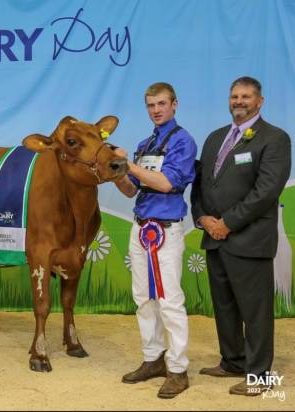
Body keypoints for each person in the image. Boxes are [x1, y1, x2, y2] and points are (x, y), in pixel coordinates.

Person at [191, 76, 291, 396]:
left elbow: (266, 191)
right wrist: (202, 217)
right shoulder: (214, 138)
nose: (239, 101)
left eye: (246, 96)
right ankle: (233, 360)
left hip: (249, 239)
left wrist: (228, 223)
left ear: (260, 101)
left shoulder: (274, 138)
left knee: (255, 310)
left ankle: (260, 375)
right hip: (214, 238)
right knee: (224, 306)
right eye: (234, 95)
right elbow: (201, 183)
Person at [113, 82, 197, 399]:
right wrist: (115, 171)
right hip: (141, 227)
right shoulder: (145, 143)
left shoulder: (183, 141)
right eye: (150, 105)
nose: (156, 110)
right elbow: (130, 190)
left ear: (174, 104)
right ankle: (153, 359)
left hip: (165, 229)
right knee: (142, 298)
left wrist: (128, 164)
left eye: (161, 104)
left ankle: (178, 369)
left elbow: (165, 183)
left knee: (169, 300)